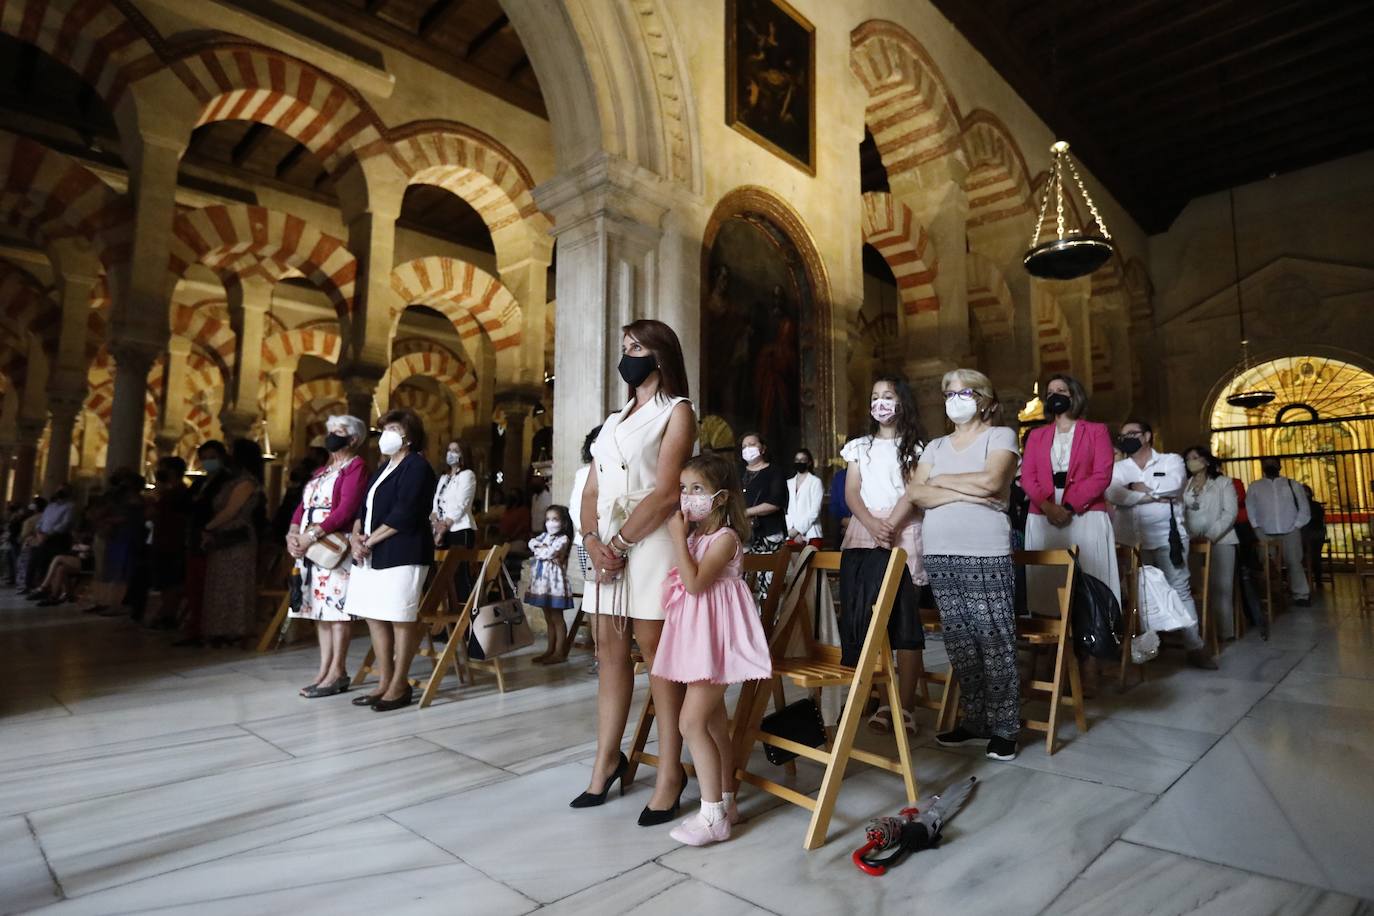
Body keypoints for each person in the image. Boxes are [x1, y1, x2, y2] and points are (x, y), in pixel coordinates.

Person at [573, 319, 696, 828]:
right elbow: (592, 491)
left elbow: (668, 491)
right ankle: (606, 760)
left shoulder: (679, 412)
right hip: (606, 548)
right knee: (608, 655)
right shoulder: (611, 420)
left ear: (660, 355)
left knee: (657, 657)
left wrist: (622, 542)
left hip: (649, 545)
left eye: (637, 347)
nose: (628, 356)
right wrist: (592, 540)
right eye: (624, 348)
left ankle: (670, 771)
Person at [654, 452, 772, 846]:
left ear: (720, 498)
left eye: (698, 489)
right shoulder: (698, 537)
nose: (688, 498)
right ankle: (727, 800)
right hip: (698, 642)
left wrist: (676, 539)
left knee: (691, 723)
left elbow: (694, 584)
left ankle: (712, 817)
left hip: (717, 645)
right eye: (684, 489)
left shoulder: (725, 539)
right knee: (716, 725)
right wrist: (682, 539)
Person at [906, 368, 1022, 761]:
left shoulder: (1000, 436)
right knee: (960, 642)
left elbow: (994, 483)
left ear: (985, 399)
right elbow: (916, 493)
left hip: (985, 549)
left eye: (965, 392)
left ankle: (1005, 726)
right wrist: (966, 486)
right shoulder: (935, 446)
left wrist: (942, 483)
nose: (955, 399)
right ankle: (976, 720)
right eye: (949, 393)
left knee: (994, 639)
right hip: (940, 549)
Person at [840, 375, 927, 736]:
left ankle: (904, 706)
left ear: (901, 403)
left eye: (888, 396)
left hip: (901, 530)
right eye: (875, 397)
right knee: (865, 617)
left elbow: (914, 490)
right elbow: (851, 492)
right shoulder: (860, 447)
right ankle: (875, 695)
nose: (880, 403)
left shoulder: (915, 447)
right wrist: (872, 524)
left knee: (904, 621)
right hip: (864, 531)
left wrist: (888, 525)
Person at [345, 409, 437, 712]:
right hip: (373, 551)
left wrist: (368, 541)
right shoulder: (383, 467)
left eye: (394, 428)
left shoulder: (417, 466)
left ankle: (400, 684)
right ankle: (384, 681)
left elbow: (405, 512)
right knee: (375, 614)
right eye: (384, 428)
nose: (386, 434)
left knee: (400, 617)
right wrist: (357, 536)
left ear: (408, 434)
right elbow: (364, 507)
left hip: (404, 551)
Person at [1106, 419, 1216, 668]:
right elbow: (1113, 493)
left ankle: (1195, 646)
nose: (1125, 439)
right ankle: (1150, 648)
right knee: (1140, 593)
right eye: (1122, 435)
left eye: (1131, 434)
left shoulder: (1171, 461)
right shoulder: (1120, 468)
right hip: (1132, 539)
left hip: (1168, 537)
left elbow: (1174, 484)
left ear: (1146, 436)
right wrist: (1153, 495)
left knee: (1179, 589)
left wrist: (1135, 492)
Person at [287, 415, 369, 698]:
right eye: (330, 430)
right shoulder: (321, 471)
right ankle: (324, 670)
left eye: (340, 431)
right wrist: (293, 533)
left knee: (336, 612)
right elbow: (302, 506)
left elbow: (346, 509)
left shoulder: (355, 466)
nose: (333, 435)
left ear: (354, 438)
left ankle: (338, 671)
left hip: (333, 546)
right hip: (310, 545)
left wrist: (312, 535)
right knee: (318, 613)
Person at [1021, 374, 1119, 603]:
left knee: (1090, 574)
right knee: (1048, 583)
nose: (1055, 395)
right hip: (1043, 512)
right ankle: (1053, 632)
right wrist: (1048, 507)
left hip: (1085, 511)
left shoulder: (1096, 431)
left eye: (1061, 391)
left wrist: (1067, 506)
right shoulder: (1037, 435)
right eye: (1050, 393)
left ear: (1073, 395)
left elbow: (1101, 475)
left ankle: (1094, 630)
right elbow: (1027, 476)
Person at [200, 440, 265, 648]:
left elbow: (231, 510)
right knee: (220, 582)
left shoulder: (246, 482)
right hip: (224, 537)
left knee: (233, 583)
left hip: (236, 538)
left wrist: (208, 527)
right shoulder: (234, 480)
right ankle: (220, 627)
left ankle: (233, 629)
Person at [176, 441, 234, 646]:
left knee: (209, 587)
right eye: (205, 457)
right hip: (195, 537)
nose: (208, 461)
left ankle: (209, 629)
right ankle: (195, 629)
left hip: (214, 539)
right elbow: (185, 504)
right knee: (194, 586)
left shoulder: (227, 482)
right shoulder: (200, 483)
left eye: (212, 457)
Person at [1182, 445, 1242, 642]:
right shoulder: (1185, 485)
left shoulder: (1223, 483)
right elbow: (1181, 513)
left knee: (1220, 586)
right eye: (1188, 458)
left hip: (1221, 540)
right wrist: (1189, 535)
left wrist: (1210, 535)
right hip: (1192, 542)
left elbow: (1229, 513)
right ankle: (1201, 629)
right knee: (1194, 587)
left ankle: (1224, 632)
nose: (1192, 461)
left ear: (1206, 461)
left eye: (1195, 457)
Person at [1246, 458, 1312, 606]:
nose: (1270, 465)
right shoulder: (1255, 486)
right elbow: (1250, 509)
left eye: (1273, 463)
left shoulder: (1292, 484)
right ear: (1263, 467)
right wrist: (1256, 528)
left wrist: (1296, 526)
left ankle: (1301, 595)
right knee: (1268, 566)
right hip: (1264, 532)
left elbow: (1304, 507)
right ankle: (1273, 595)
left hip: (1290, 530)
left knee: (1294, 562)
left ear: (1280, 466)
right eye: (1267, 463)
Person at [86, 469, 148, 618]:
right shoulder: (117, 499)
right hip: (116, 537)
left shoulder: (135, 501)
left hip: (127, 538)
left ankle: (116, 604)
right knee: (110, 571)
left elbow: (131, 517)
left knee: (121, 572)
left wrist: (109, 519)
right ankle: (105, 602)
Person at [144, 456, 192, 629]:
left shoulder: (179, 492)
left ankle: (168, 615)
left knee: (172, 581)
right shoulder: (168, 492)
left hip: (173, 542)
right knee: (165, 582)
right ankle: (166, 613)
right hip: (162, 540)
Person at [527, 504, 575, 664]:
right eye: (548, 519)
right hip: (542, 583)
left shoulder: (563, 538)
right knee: (548, 618)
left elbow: (550, 552)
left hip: (555, 584)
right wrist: (542, 548)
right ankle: (550, 649)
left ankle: (560, 652)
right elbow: (531, 543)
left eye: (555, 519)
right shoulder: (544, 536)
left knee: (557, 617)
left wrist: (542, 550)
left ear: (563, 522)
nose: (550, 523)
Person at [739, 433, 787, 554]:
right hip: (743, 533)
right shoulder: (738, 472)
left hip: (769, 532)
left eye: (752, 445)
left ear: (763, 448)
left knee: (767, 570)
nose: (747, 449)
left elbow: (776, 502)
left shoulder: (774, 471)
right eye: (744, 446)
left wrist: (745, 512)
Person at [23, 487, 74, 594]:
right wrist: (39, 532)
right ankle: (33, 586)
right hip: (43, 537)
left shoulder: (69, 506)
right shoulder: (50, 506)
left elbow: (65, 523)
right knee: (37, 560)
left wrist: (49, 534)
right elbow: (41, 521)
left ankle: (47, 589)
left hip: (58, 538)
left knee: (49, 562)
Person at [569, 425, 603, 583]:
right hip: (586, 539)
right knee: (592, 585)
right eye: (595, 441)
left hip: (612, 538)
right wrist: (588, 533)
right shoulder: (582, 474)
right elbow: (575, 506)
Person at [431, 440, 477, 550]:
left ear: (463, 455)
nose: (451, 453)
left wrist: (443, 528)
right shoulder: (444, 478)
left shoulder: (467, 475)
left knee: (457, 566)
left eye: (455, 451)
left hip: (458, 528)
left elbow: (460, 505)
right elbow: (436, 504)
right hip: (439, 529)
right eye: (449, 450)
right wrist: (435, 524)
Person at [785, 448, 824, 547]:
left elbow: (815, 511)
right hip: (790, 534)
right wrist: (791, 531)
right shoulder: (788, 483)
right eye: (797, 460)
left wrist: (798, 530)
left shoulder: (815, 482)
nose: (799, 462)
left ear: (809, 462)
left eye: (802, 460)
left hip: (811, 533)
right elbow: (786, 509)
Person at [13, 497, 45, 593]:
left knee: (25, 565)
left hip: (30, 544)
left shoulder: (31, 520)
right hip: (41, 544)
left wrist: (20, 539)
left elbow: (24, 534)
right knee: (36, 567)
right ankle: (35, 584)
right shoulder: (46, 517)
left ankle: (25, 585)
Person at [1301, 484, 1327, 589]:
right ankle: (1313, 578)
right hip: (1311, 535)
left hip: (1315, 535)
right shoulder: (1303, 506)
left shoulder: (1315, 506)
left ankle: (1315, 578)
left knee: (1314, 556)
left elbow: (1317, 520)